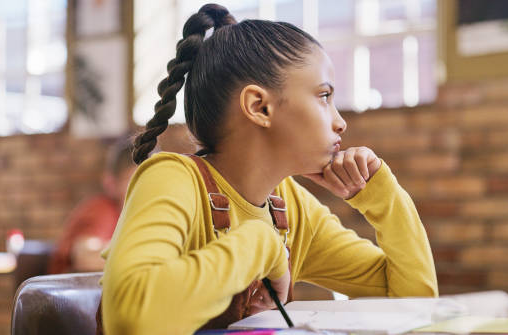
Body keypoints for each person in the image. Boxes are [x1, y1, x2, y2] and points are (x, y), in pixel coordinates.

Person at [99, 4, 437, 334]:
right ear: (259, 107)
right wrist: (263, 243)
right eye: (324, 96)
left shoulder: (291, 206)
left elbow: (411, 306)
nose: (340, 122)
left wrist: (383, 197)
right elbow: (132, 318)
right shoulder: (170, 178)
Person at [48, 137, 136, 274]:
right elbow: (86, 258)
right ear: (111, 183)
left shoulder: (132, 216)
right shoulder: (102, 210)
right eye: (133, 181)